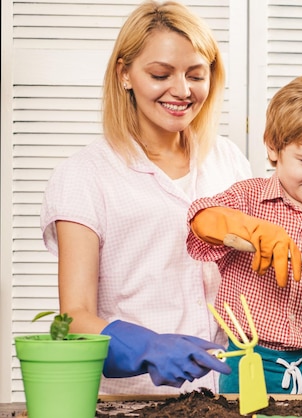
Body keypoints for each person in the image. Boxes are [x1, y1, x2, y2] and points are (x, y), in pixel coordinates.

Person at [40, 0, 252, 395]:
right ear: (125, 74)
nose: (182, 91)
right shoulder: (84, 175)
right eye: (160, 74)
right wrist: (146, 346)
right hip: (137, 399)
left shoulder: (229, 162)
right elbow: (75, 315)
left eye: (196, 74)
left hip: (231, 394)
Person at [186, 73, 302, 395]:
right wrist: (248, 227)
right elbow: (201, 219)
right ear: (273, 147)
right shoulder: (248, 199)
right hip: (247, 361)